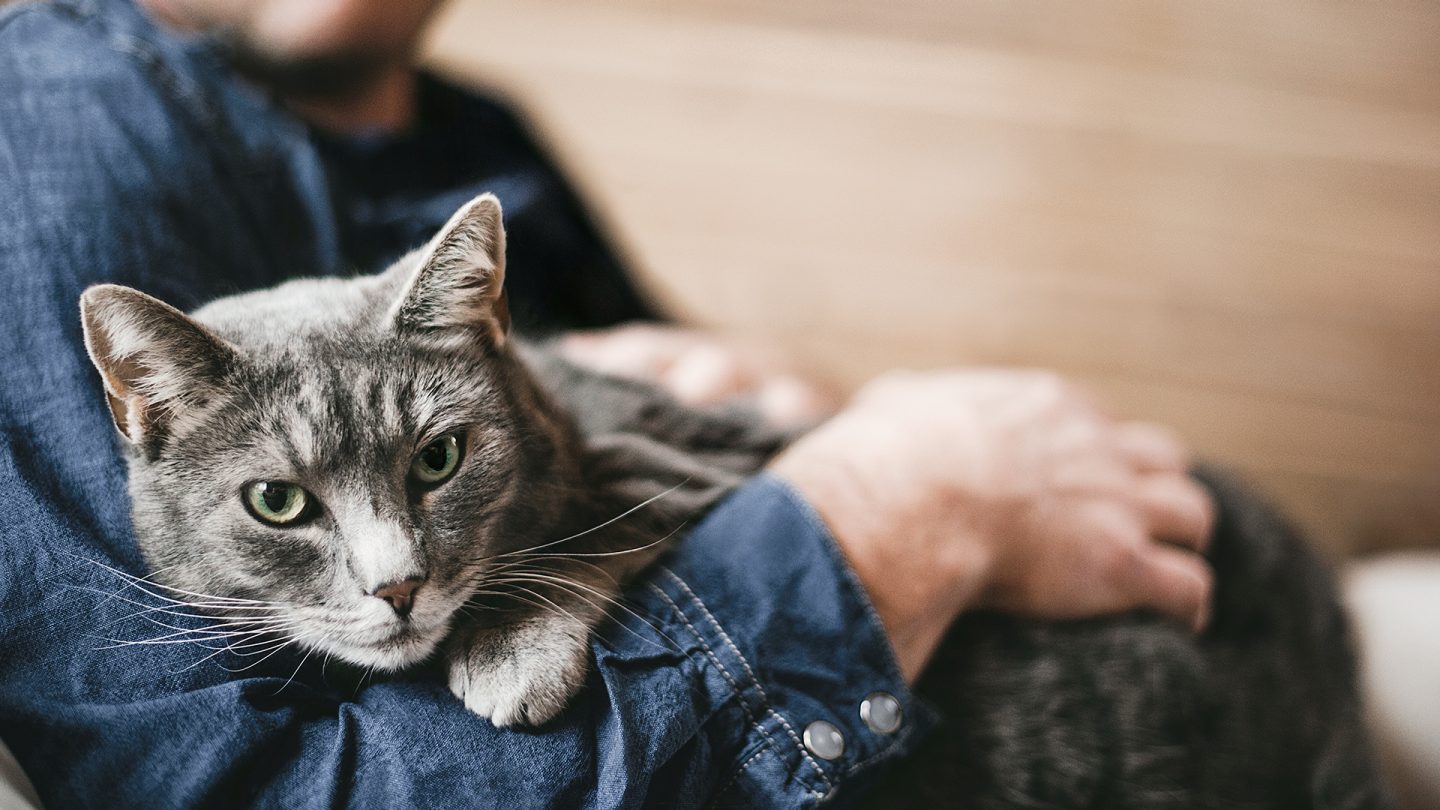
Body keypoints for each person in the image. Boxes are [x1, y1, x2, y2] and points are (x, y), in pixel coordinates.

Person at [0, 0, 1214, 806]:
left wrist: (794, 398)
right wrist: (903, 508)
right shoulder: (49, 129)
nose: (391, 565)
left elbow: (677, 434)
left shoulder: (475, 132)